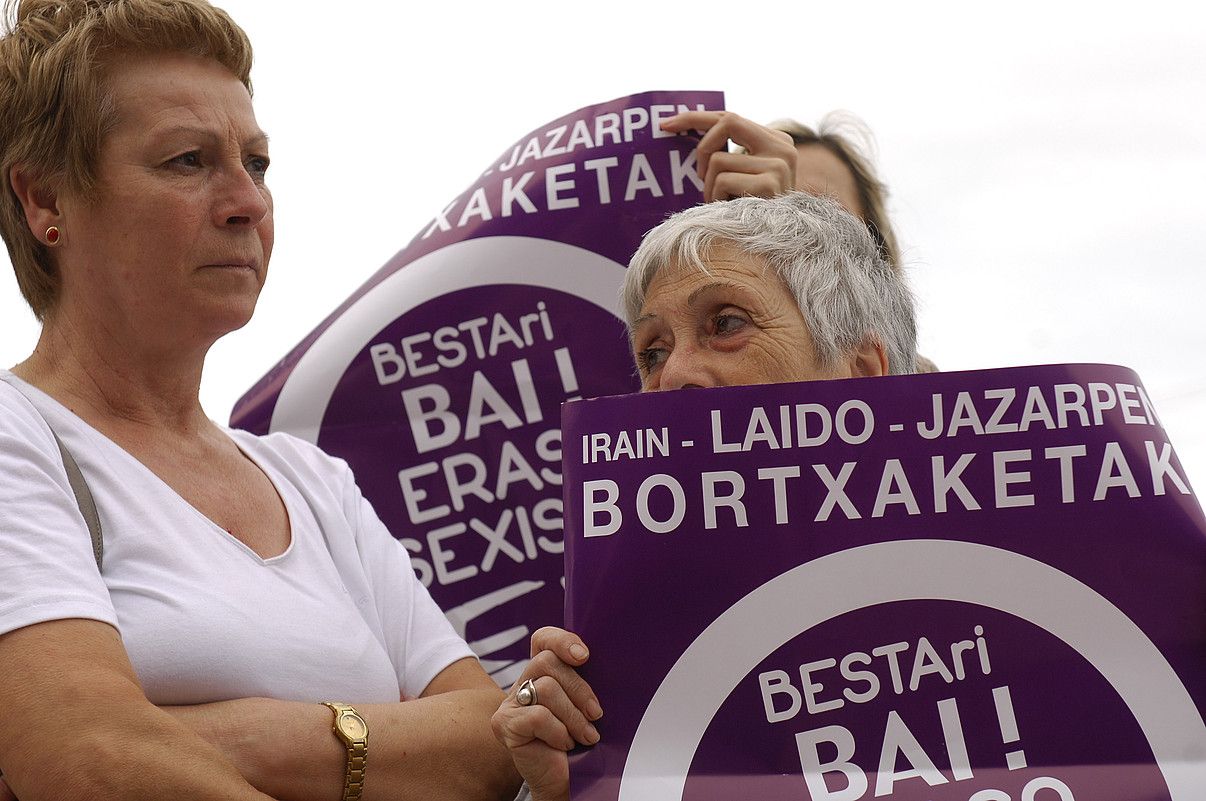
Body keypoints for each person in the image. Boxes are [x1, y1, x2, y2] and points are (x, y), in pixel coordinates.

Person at [0, 2, 518, 800]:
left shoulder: (314, 483)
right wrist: (384, 746)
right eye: (186, 161)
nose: (249, 200)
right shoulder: (17, 434)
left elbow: (492, 743)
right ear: (44, 203)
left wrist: (249, 733)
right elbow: (89, 758)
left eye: (259, 163)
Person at [491, 191, 919, 800]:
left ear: (861, 378)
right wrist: (565, 791)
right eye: (653, 352)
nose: (673, 377)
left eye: (725, 324)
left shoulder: (1006, 593)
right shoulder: (615, 650)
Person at [659, 108, 938, 372]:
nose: (790, 229)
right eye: (750, 209)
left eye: (821, 210)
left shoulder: (928, 396)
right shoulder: (672, 373)